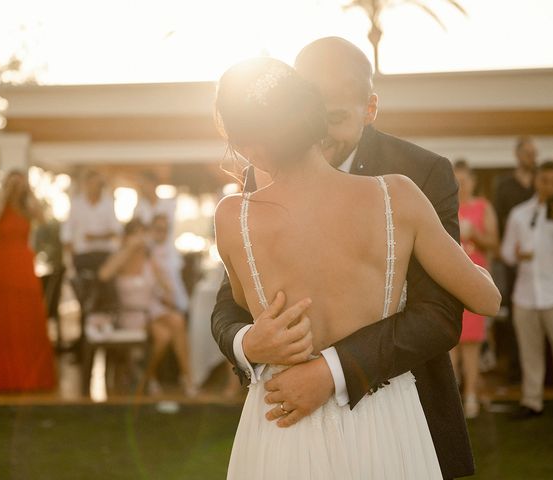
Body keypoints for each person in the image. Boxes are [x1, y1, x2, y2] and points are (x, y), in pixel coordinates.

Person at [214, 57, 500, 479]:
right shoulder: (397, 195)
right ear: (316, 118)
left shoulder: (232, 217)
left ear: (249, 145)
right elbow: (486, 300)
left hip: (282, 421)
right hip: (384, 419)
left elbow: (244, 302)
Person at [501, 160, 553, 425]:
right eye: (545, 181)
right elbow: (506, 253)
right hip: (526, 296)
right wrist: (517, 254)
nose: (549, 186)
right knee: (529, 353)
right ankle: (532, 402)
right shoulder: (520, 214)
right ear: (536, 181)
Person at [98, 219, 196, 396]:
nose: (140, 239)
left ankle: (186, 377)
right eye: (135, 234)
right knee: (163, 336)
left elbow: (165, 287)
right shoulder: (121, 258)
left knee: (177, 320)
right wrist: (129, 249)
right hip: (132, 312)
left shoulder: (149, 258)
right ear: (127, 237)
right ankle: (147, 378)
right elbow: (104, 275)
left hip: (151, 309)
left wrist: (166, 291)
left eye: (142, 234)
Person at [0, 170, 56, 391]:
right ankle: (4, 378)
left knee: (27, 316)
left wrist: (29, 193)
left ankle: (30, 376)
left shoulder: (28, 207)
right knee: (4, 319)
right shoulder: (1, 206)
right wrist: (6, 193)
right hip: (3, 265)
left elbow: (43, 220)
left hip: (23, 265)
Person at [451, 160, 499, 418]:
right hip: (449, 281)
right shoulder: (444, 205)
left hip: (476, 281)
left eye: (465, 180)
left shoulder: (483, 207)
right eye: (456, 181)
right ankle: (452, 398)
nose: (461, 186)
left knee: (471, 343)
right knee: (450, 342)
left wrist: (474, 234)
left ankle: (470, 395)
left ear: (473, 181)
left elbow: (494, 243)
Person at [492, 136, 537, 383]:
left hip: (539, 260)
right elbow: (499, 220)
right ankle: (514, 369)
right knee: (512, 313)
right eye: (528, 152)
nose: (533, 157)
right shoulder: (504, 185)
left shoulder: (540, 183)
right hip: (512, 259)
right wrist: (504, 251)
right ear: (518, 155)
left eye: (534, 153)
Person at [62, 170, 121, 281]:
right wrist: (70, 251)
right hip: (82, 253)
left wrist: (97, 237)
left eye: (98, 184)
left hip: (103, 253)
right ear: (86, 184)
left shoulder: (108, 203)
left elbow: (116, 230)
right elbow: (67, 229)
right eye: (91, 183)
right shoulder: (76, 203)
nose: (94, 187)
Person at [149, 214, 189, 313]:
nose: (162, 233)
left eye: (165, 230)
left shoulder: (172, 252)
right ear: (151, 229)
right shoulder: (146, 250)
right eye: (158, 229)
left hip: (171, 303)